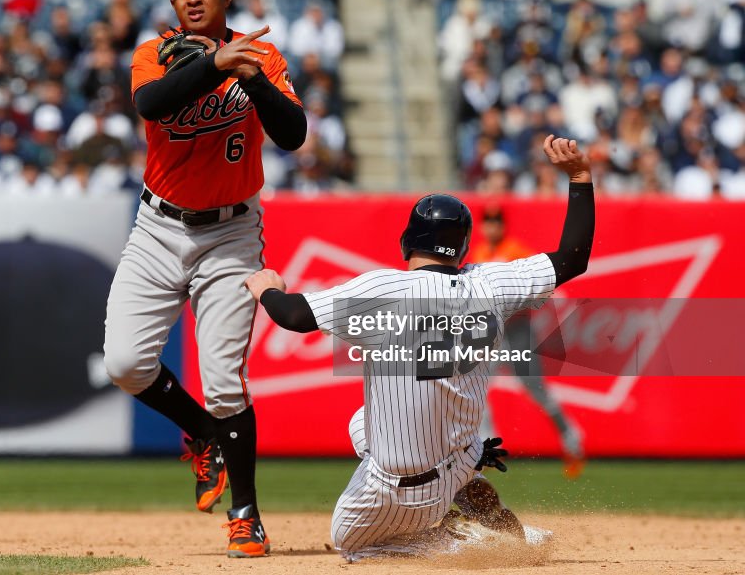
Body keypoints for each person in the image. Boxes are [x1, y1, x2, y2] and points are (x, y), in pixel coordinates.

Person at [245, 135, 594, 561]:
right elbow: (573, 257)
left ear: (409, 239)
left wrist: (268, 290)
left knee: (349, 542)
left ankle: (461, 542)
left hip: (397, 489)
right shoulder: (492, 283)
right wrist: (579, 177)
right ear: (463, 245)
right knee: (364, 422)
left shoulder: (385, 288)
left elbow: (294, 316)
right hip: (461, 459)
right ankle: (487, 506)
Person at [102, 0, 306, 558]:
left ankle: (246, 512)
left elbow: (293, 133)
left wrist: (250, 77)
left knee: (222, 380)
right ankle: (202, 437)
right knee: (124, 364)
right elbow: (151, 105)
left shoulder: (261, 54)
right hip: (158, 226)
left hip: (231, 234)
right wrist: (217, 61)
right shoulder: (152, 51)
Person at [470, 205, 586, 479]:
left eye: (496, 221)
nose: (491, 226)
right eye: (487, 221)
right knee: (478, 386)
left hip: (518, 329)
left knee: (535, 388)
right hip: (492, 332)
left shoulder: (517, 251)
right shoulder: (480, 253)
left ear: (503, 224)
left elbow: (537, 288)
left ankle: (569, 434)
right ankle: (486, 445)